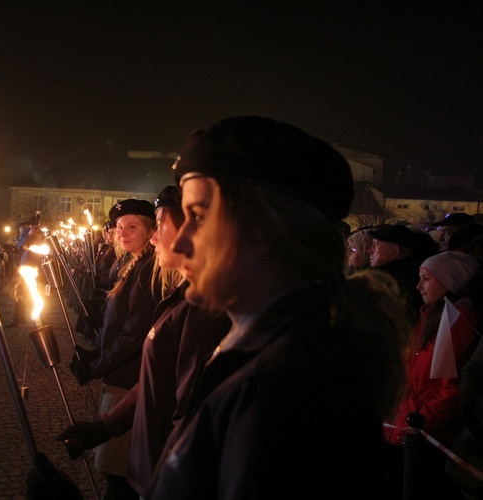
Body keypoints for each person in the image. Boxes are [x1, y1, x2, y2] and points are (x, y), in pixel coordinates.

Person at [28, 116, 412, 499]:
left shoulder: (284, 388)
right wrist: (107, 426)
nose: (177, 246)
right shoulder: (266, 349)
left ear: (265, 230)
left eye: (197, 217)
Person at [56, 186, 230, 498]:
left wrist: (96, 365)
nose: (152, 239)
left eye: (159, 224)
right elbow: (157, 378)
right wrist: (104, 426)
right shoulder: (183, 297)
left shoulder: (203, 310)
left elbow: (186, 416)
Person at [68, 198, 159, 500]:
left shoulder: (147, 270)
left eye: (132, 226)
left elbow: (133, 337)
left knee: (117, 471)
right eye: (120, 226)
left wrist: (96, 367)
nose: (122, 232)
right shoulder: (132, 264)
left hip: (126, 380)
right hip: (117, 375)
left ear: (150, 231)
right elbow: (117, 324)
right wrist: (96, 351)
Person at [383, 250, 481, 498]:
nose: (418, 286)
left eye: (426, 279)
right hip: (410, 428)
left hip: (427, 436)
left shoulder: (455, 324)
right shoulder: (429, 319)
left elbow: (449, 391)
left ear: (448, 282)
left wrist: (415, 423)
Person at [369, 223, 426, 322]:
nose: (369, 250)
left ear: (394, 251)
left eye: (375, 245)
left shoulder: (398, 282)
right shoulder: (393, 275)